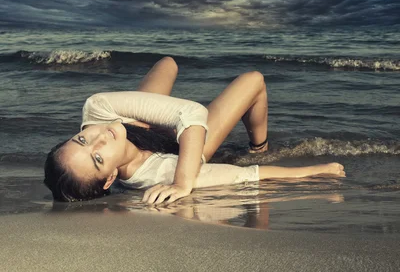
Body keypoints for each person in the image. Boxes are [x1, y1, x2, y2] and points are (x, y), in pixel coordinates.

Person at [44, 57, 345, 204]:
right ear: (110, 177)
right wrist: (320, 169)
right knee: (254, 80)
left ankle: (156, 121)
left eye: (81, 138)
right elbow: (247, 174)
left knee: (167, 63)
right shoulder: (161, 175)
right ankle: (260, 146)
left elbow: (186, 111)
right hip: (186, 149)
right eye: (98, 158)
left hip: (144, 129)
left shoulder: (97, 111)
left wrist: (157, 118)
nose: (97, 138)